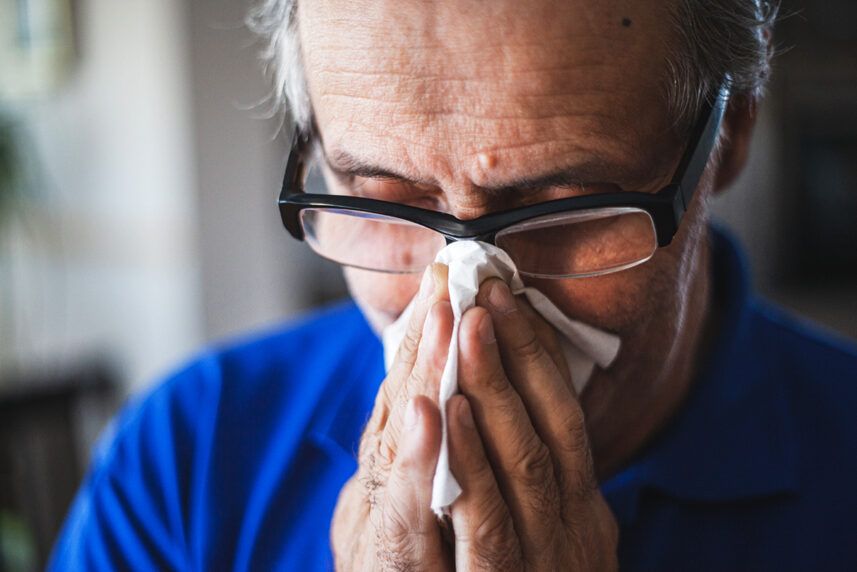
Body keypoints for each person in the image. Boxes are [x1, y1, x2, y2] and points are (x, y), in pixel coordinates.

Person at [50, 0, 857, 570]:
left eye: (563, 208)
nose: (464, 300)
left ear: (732, 132)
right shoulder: (186, 459)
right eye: (381, 200)